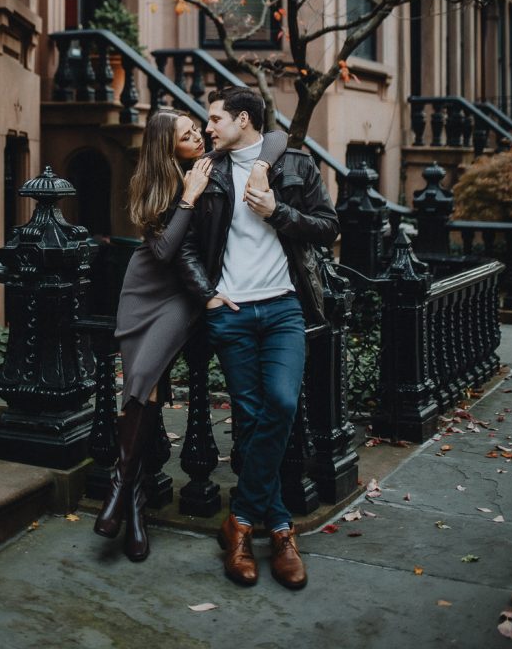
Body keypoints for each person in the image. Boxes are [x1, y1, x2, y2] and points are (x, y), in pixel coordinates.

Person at [93, 109, 287, 562]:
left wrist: (258, 166)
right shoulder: (156, 182)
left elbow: (276, 138)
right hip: (147, 288)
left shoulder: (214, 161)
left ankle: (121, 492)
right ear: (168, 147)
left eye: (196, 129)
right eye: (186, 135)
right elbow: (161, 251)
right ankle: (133, 501)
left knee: (143, 379)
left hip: (186, 294)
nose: (198, 136)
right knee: (143, 382)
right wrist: (188, 197)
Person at [176, 87, 339, 590]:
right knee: (250, 420)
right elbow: (180, 243)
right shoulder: (207, 171)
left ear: (242, 119)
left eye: (215, 118)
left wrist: (276, 212)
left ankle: (243, 521)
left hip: (284, 307)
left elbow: (328, 227)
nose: (207, 128)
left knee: (283, 403)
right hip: (232, 314)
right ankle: (280, 532)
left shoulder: (294, 164)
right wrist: (206, 295)